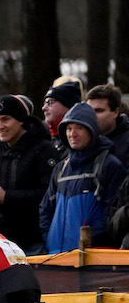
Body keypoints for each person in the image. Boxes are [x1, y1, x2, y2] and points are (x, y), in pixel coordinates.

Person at [40, 101, 123, 252]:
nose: (73, 134)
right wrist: (50, 238)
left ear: (92, 131)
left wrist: (91, 240)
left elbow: (113, 212)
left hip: (92, 259)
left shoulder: (109, 165)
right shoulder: (61, 168)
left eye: (79, 128)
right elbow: (45, 209)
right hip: (56, 257)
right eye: (69, 128)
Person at [0, 94, 53, 250]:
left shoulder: (43, 149)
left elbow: (49, 194)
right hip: (1, 240)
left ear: (21, 121)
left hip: (34, 240)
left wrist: (7, 197)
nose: (0, 126)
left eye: (6, 119)